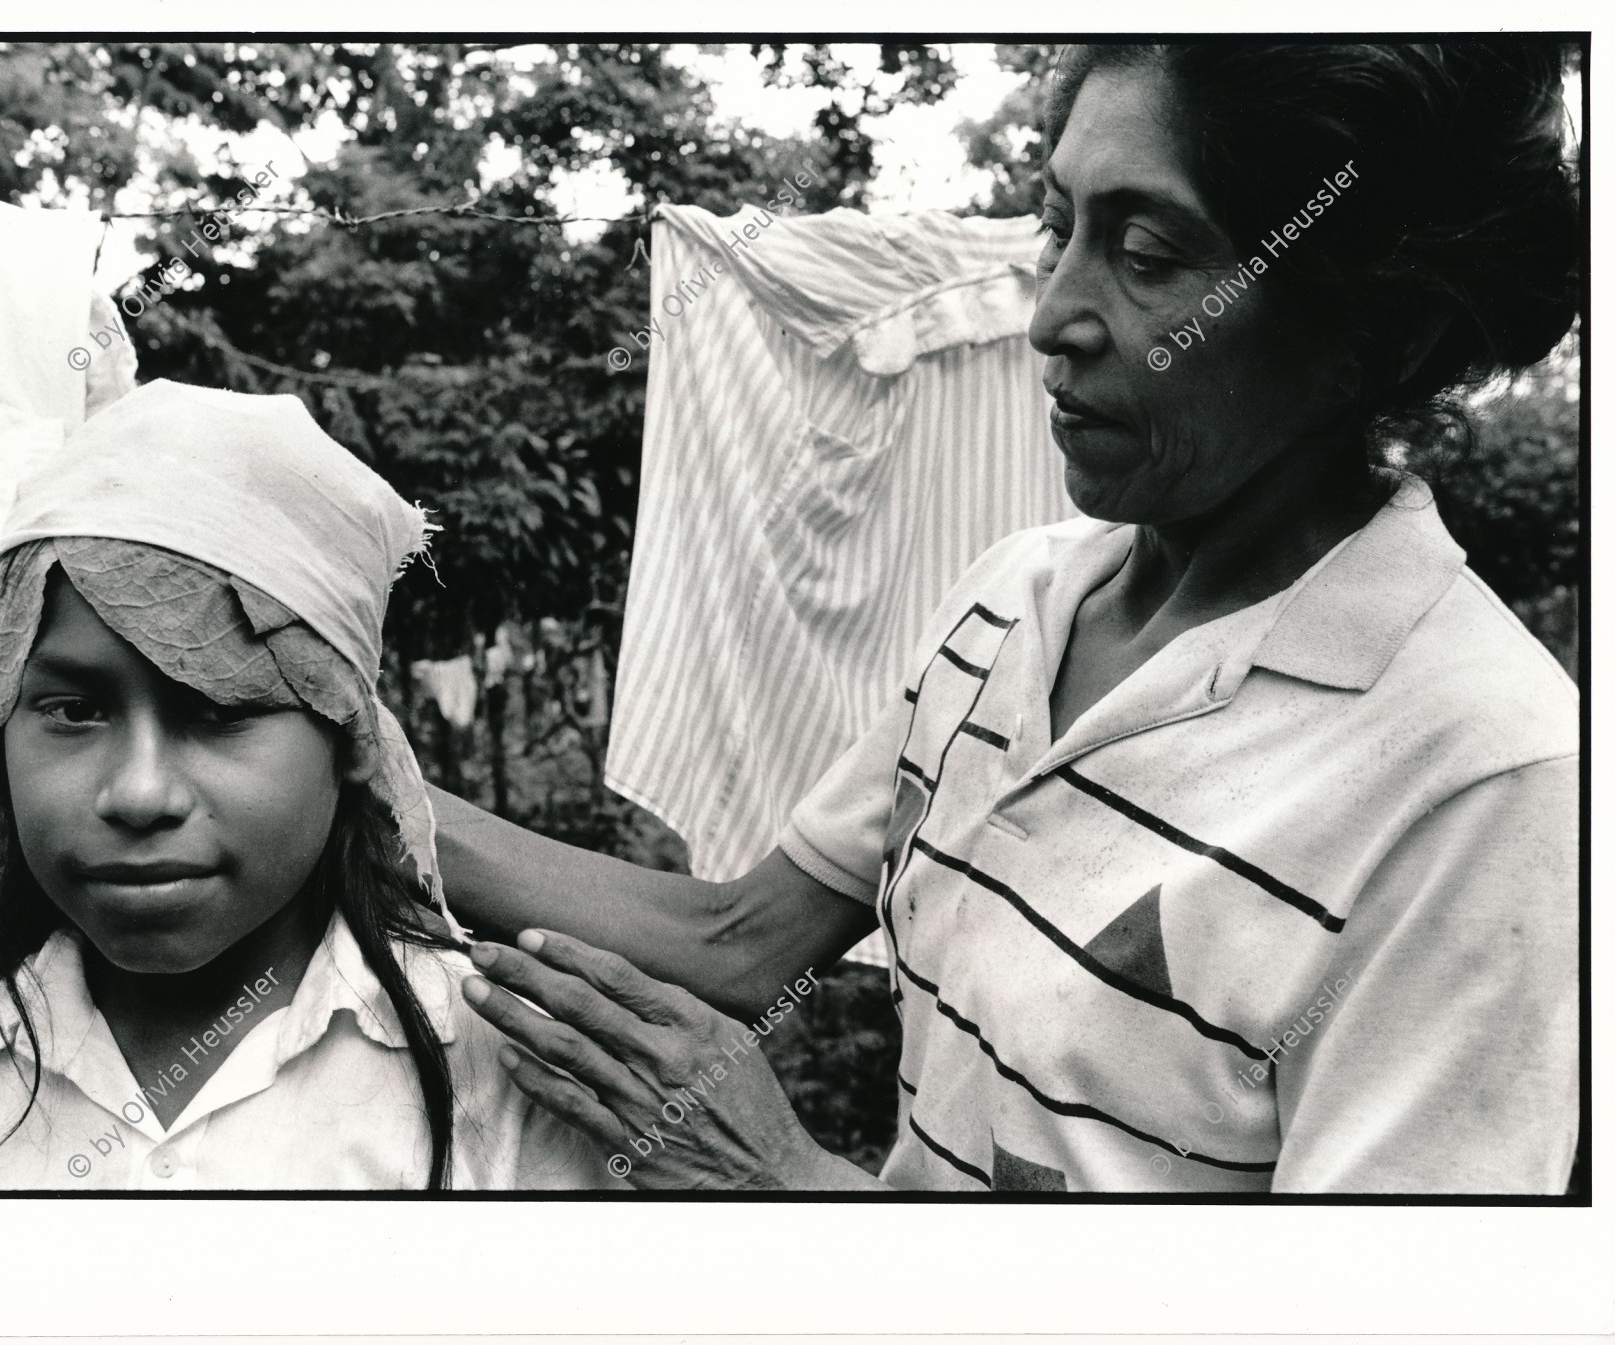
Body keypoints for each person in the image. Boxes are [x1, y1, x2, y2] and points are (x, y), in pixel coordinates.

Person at [438, 40, 1581, 1193]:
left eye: (1145, 254)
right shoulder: (1011, 601)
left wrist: (788, 1185)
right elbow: (743, 941)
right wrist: (360, 774)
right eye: (1056, 228)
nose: (1053, 316)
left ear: (1380, 331)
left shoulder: (1485, 772)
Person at [0, 380, 618, 1191]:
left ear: (353, 740)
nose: (139, 793)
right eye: (74, 709)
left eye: (220, 708)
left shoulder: (508, 1073)